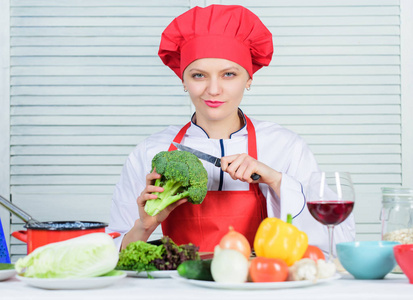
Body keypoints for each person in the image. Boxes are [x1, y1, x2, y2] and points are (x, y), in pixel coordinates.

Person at [107, 5, 355, 255]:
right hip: (181, 288)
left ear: (248, 79)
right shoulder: (151, 151)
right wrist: (145, 226)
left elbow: (337, 240)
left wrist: (277, 181)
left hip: (262, 284)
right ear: (183, 80)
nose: (213, 89)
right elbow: (112, 254)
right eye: (198, 75)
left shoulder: (287, 147)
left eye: (228, 74)